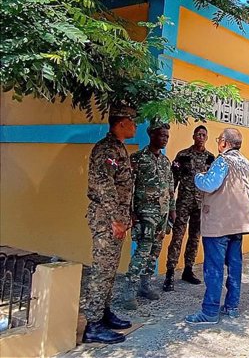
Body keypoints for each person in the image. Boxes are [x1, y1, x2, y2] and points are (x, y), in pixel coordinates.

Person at [185, 128, 249, 325]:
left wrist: (198, 176)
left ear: (224, 142)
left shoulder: (223, 161)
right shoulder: (246, 163)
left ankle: (209, 312)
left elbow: (209, 184)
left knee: (214, 267)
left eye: (219, 140)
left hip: (219, 224)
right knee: (234, 266)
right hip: (238, 223)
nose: (218, 143)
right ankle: (232, 307)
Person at [82, 104, 137, 344]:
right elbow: (104, 187)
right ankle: (93, 325)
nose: (135, 126)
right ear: (122, 123)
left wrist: (126, 215)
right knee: (102, 270)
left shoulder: (118, 148)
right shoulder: (106, 150)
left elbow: (123, 187)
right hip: (106, 218)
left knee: (110, 270)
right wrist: (116, 218)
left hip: (116, 218)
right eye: (132, 122)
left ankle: (103, 314)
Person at [122, 121, 175, 310]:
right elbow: (128, 187)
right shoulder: (137, 159)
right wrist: (130, 211)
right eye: (161, 135)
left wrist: (172, 211)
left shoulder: (165, 161)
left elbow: (170, 188)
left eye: (167, 137)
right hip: (144, 215)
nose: (164, 140)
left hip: (162, 215)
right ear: (152, 135)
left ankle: (145, 285)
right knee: (142, 252)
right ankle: (129, 291)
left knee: (154, 253)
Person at [163, 125, 215, 291]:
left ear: (206, 138)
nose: (200, 137)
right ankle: (170, 273)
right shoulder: (183, 155)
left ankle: (188, 270)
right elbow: (173, 181)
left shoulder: (210, 158)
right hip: (183, 203)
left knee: (194, 238)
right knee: (177, 237)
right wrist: (171, 204)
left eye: (203, 135)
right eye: (198, 134)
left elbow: (212, 184)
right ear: (193, 136)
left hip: (201, 205)